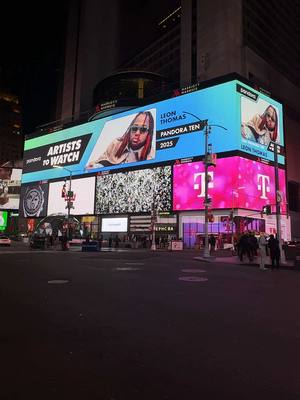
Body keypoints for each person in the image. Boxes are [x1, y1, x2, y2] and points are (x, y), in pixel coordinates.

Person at [86, 111, 155, 168]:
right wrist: (95, 166)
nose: (137, 133)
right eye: (134, 128)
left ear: (149, 133)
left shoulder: (152, 156)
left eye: (143, 129)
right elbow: (100, 162)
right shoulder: (116, 144)